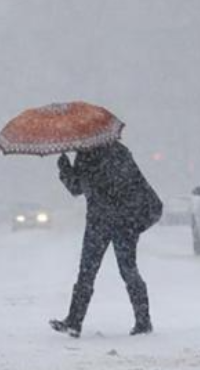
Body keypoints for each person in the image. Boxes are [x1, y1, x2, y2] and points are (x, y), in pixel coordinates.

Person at [50, 141, 163, 338]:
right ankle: (143, 321)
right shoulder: (117, 151)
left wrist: (65, 170)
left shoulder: (88, 156)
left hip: (102, 221)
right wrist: (68, 169)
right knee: (127, 269)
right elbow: (132, 182)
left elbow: (77, 188)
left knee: (88, 271)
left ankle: (75, 322)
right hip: (123, 220)